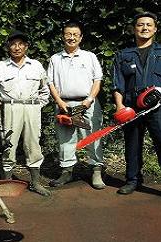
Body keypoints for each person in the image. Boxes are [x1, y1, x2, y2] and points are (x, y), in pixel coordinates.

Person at [111, 12, 161, 205]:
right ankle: (133, 180)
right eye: (140, 25)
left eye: (148, 25)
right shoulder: (123, 54)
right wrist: (121, 107)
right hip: (131, 106)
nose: (144, 28)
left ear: (155, 29)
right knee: (132, 144)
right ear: (134, 29)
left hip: (159, 105)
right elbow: (117, 84)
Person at [0, 30, 51, 196]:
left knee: (33, 145)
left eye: (21, 44)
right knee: (8, 145)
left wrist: (37, 107)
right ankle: (7, 183)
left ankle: (36, 183)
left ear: (26, 46)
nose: (17, 47)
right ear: (8, 46)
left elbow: (45, 90)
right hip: (10, 108)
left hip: (32, 108)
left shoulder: (36, 65)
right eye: (13, 44)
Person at [47, 20, 106, 189]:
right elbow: (50, 82)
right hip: (64, 104)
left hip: (88, 103)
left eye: (75, 35)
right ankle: (67, 171)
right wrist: (59, 102)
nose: (71, 38)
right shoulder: (55, 58)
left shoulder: (89, 56)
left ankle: (96, 170)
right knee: (65, 140)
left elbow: (97, 80)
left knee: (93, 136)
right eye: (68, 34)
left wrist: (89, 100)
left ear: (81, 38)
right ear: (62, 37)